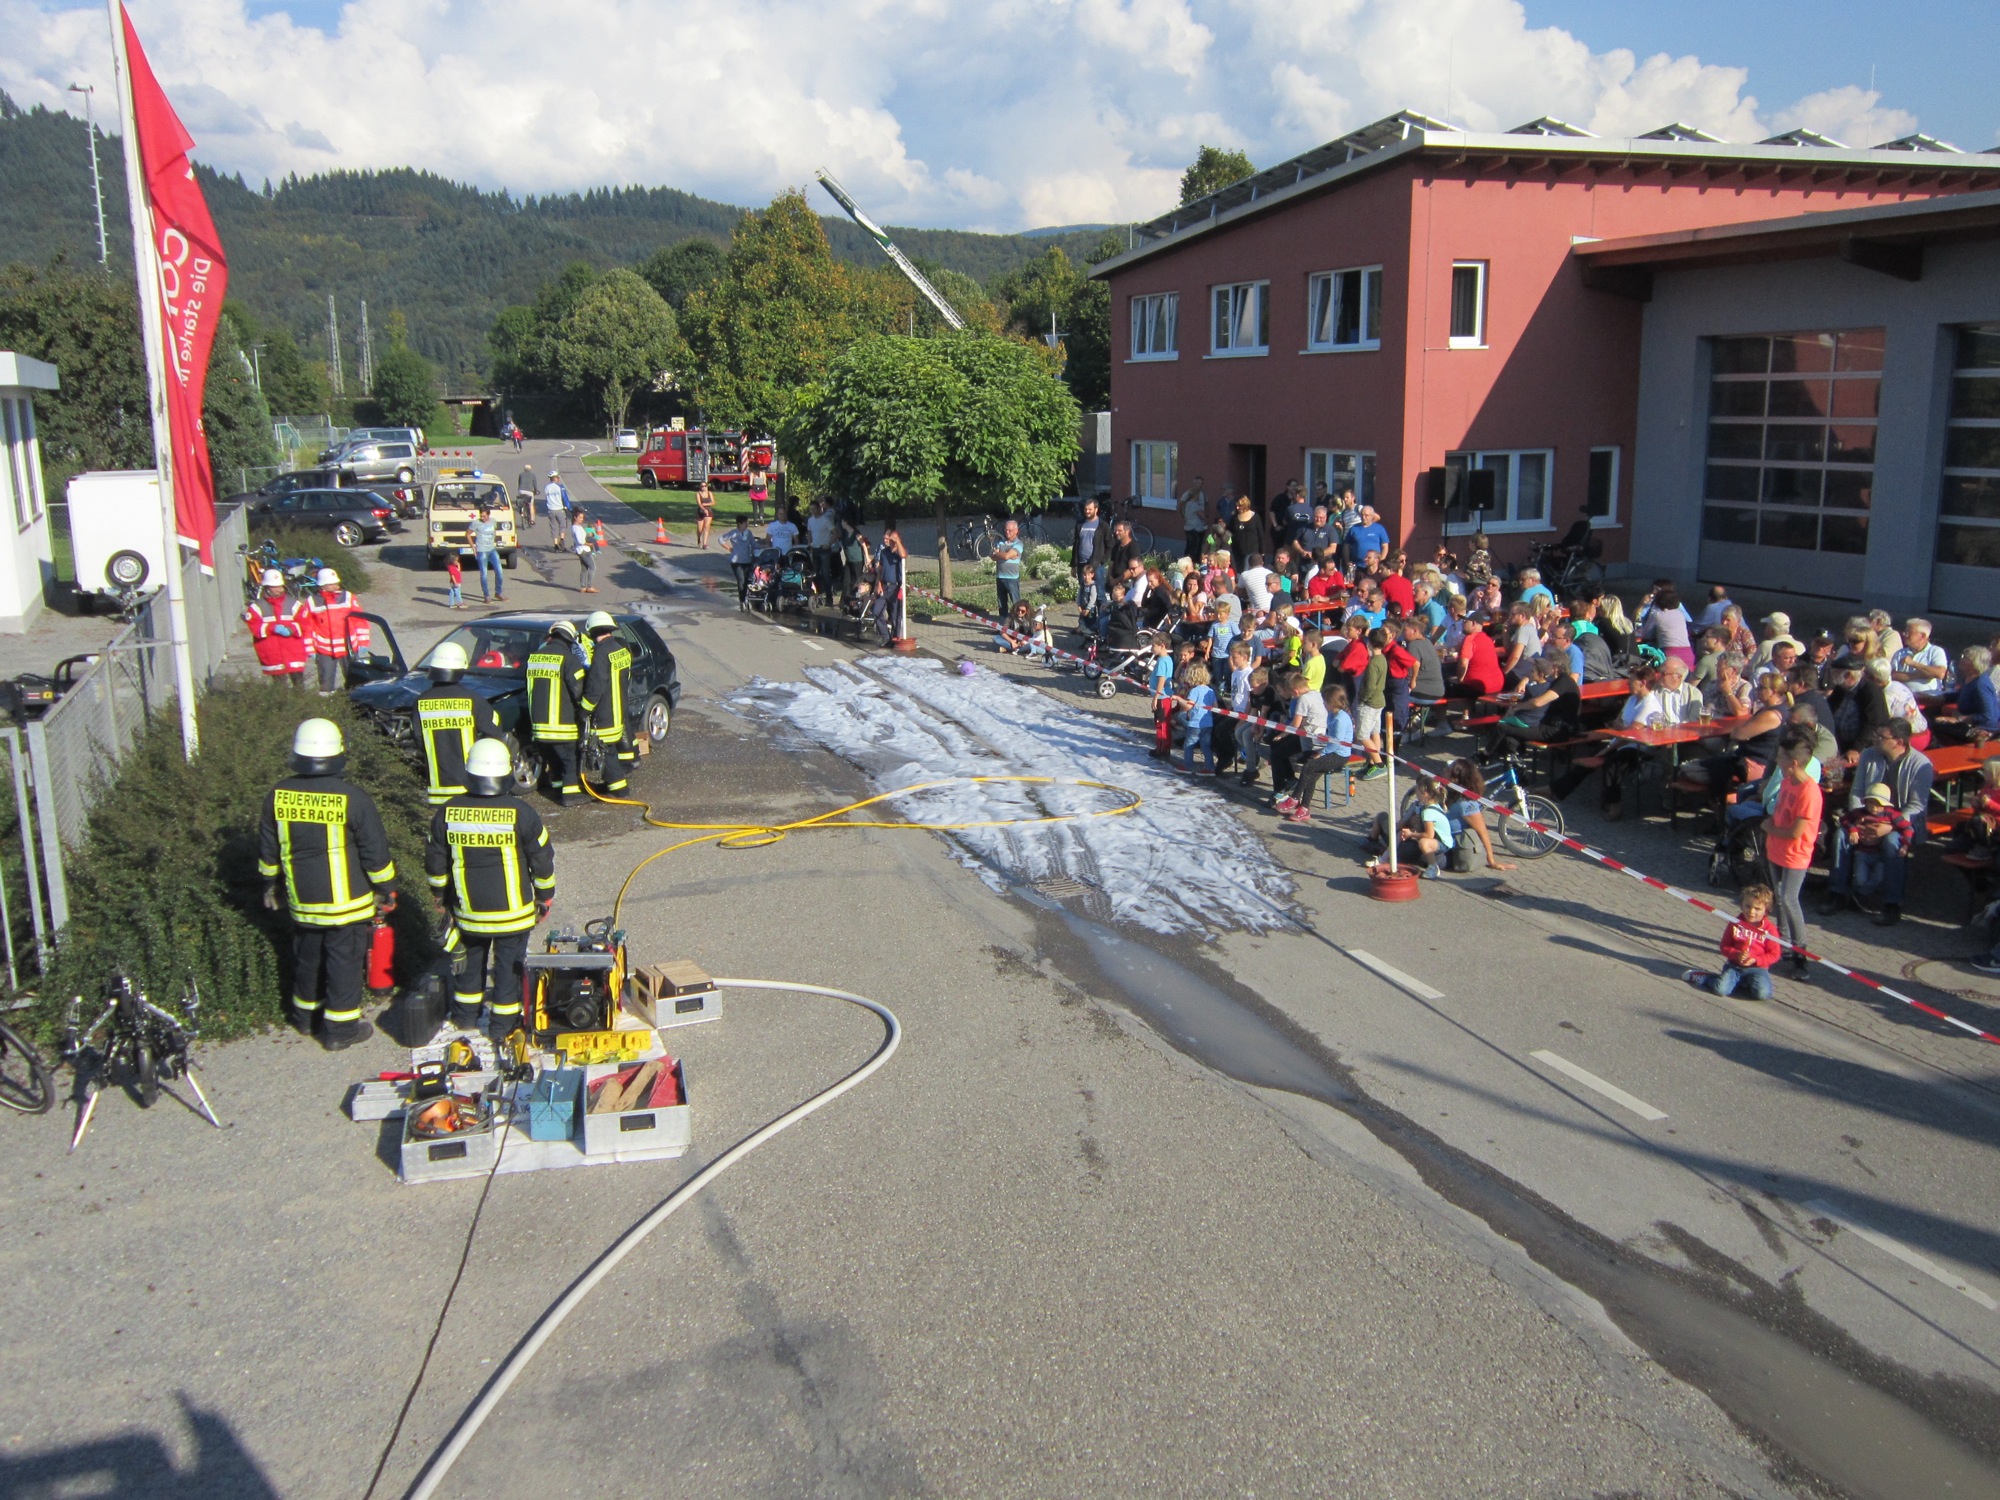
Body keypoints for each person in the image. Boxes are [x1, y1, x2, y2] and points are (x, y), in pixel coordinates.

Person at [256, 718, 396, 1050]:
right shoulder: (352, 797)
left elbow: (268, 850)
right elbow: (374, 852)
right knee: (343, 964)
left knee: (308, 960)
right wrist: (385, 888)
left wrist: (270, 884)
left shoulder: (277, 795)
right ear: (337, 754)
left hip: (302, 902)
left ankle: (305, 1019)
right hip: (347, 906)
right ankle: (341, 1031)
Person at [427, 737, 556, 1043]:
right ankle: (502, 1026)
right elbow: (541, 859)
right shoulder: (522, 812)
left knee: (470, 966)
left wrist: (439, 894)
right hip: (513, 916)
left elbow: (436, 861)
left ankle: (465, 1017)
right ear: (505, 773)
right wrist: (545, 897)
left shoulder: (448, 812)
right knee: (508, 970)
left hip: (469, 914)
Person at [1822, 718, 1935, 926]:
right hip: (1866, 815)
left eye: (1881, 737)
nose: (1875, 739)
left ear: (1898, 742)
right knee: (1841, 836)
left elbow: (1917, 806)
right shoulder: (1869, 755)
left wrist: (1890, 826)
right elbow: (1857, 791)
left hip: (1900, 823)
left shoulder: (1921, 764)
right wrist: (1859, 818)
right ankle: (1838, 892)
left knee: (1893, 843)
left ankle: (1892, 904)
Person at [1763, 741, 1823, 979]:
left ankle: (1800, 954)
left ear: (1794, 762)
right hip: (1775, 849)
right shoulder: (1787, 782)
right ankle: (1782, 943)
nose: (1777, 761)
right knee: (1779, 897)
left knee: (1789, 899)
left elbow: (1796, 832)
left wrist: (1769, 828)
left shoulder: (1809, 792)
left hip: (1795, 853)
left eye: (1781, 757)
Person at [415, 641, 501, 806]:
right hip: (469, 788)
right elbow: (494, 732)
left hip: (437, 791)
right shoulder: (472, 700)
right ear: (461, 669)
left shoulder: (420, 702)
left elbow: (418, 740)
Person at [525, 620, 590, 805]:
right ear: (569, 640)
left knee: (553, 759)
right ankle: (571, 795)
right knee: (569, 760)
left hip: (538, 726)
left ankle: (557, 788)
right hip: (562, 725)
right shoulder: (569, 659)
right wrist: (584, 710)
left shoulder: (534, 658)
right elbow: (577, 689)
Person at [1684, 884, 1784, 1000]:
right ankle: (1706, 978)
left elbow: (1775, 954)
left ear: (1766, 910)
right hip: (1734, 965)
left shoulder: (1769, 929)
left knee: (1763, 994)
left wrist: (1757, 960)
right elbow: (1724, 946)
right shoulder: (1735, 923)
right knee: (1720, 989)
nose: (1751, 911)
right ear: (1741, 905)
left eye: (1757, 909)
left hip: (1758, 968)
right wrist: (1737, 954)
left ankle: (1742, 983)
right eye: (1748, 906)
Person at [1278, 684, 1355, 822]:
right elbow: (1331, 736)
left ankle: (1294, 798)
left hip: (1339, 755)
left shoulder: (1340, 719)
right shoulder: (1332, 715)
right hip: (1330, 749)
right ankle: (1304, 808)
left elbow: (1336, 743)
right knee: (1309, 769)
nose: (1323, 704)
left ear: (1331, 702)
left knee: (1309, 766)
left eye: (1325, 701)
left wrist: (1322, 753)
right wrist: (1322, 740)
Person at [578, 611, 635, 796]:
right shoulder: (620, 649)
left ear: (592, 631)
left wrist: (584, 710)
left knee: (605, 750)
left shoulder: (601, 653)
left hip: (605, 713)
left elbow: (595, 687)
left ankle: (619, 790)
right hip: (619, 710)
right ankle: (616, 787)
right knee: (610, 749)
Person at [1366, 774, 1454, 878]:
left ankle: (1433, 867)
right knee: (1400, 834)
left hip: (1443, 843)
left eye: (1417, 791)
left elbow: (1429, 835)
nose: (1416, 793)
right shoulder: (1429, 806)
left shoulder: (1428, 812)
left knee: (1424, 843)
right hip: (1434, 839)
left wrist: (1411, 834)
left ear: (1425, 794)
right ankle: (1383, 859)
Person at [243, 568, 311, 685]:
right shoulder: (257, 607)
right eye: (274, 587)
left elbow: (304, 623)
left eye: (280, 586)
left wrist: (290, 629)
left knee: (299, 683)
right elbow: (255, 628)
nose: (278, 589)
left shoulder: (293, 604)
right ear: (266, 587)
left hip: (293, 650)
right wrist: (272, 628)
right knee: (280, 686)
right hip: (271, 652)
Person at [303, 567, 365, 696]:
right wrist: (310, 649)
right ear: (323, 585)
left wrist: (363, 642)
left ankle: (353, 701)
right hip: (325, 650)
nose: (336, 586)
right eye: (332, 584)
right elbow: (307, 627)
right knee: (326, 682)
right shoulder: (312, 601)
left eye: (336, 583)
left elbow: (360, 621)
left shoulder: (348, 597)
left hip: (348, 647)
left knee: (354, 679)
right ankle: (327, 703)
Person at [1176, 663, 1218, 774]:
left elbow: (1188, 706)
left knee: (1189, 744)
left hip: (1196, 723)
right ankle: (1210, 767)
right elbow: (1215, 706)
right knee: (1206, 746)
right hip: (1208, 723)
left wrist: (1179, 700)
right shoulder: (1210, 690)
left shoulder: (1194, 691)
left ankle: (1187, 765)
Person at [1892, 618, 1949, 687]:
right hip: (1903, 693)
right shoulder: (1900, 653)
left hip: (1929, 693)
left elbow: (1940, 673)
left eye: (1908, 632)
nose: (1904, 634)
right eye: (1905, 632)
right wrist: (1919, 675)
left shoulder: (1935, 651)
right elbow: (1892, 676)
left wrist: (1913, 663)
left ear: (1922, 636)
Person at [876, 520, 908, 640]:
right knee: (876, 611)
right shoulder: (884, 552)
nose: (889, 541)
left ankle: (895, 638)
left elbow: (903, 555)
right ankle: (886, 637)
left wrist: (897, 542)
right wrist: (878, 583)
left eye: (890, 539)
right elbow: (880, 569)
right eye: (888, 539)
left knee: (895, 616)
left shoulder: (899, 553)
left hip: (895, 587)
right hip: (885, 586)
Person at [470, 504, 505, 603]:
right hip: (482, 551)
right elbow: (467, 534)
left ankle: (498, 593)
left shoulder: (493, 521)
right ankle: (486, 596)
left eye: (484, 516)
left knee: (499, 571)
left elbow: (494, 532)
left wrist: (494, 541)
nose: (482, 518)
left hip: (492, 549)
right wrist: (473, 547)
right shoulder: (476, 523)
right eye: (481, 516)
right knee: (484, 574)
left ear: (489, 514)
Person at [992, 518, 1024, 617]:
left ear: (1016, 531)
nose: (1007, 532)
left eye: (1010, 530)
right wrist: (1005, 555)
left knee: (1016, 603)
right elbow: (992, 556)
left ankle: (1019, 623)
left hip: (1012, 578)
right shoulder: (1000, 542)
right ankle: (1003, 623)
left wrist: (999, 554)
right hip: (1000, 576)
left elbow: (1006, 556)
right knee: (1002, 604)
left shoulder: (1018, 544)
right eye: (1006, 530)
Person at [807, 499, 838, 599]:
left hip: (824, 549)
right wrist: (809, 543)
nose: (813, 511)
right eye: (811, 510)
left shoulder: (825, 520)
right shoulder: (810, 520)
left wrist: (829, 544)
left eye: (814, 509)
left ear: (819, 509)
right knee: (815, 573)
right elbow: (809, 532)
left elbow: (835, 533)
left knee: (825, 573)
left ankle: (829, 596)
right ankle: (818, 593)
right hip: (815, 548)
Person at [724, 515, 758, 607]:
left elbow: (754, 545)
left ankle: (746, 597)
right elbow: (721, 540)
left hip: (747, 560)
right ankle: (742, 600)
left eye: (747, 522)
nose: (747, 524)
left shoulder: (749, 533)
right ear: (739, 524)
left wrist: (763, 547)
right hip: (736, 561)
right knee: (741, 580)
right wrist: (729, 548)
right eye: (745, 522)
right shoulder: (734, 533)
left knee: (747, 580)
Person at [1180, 477, 1209, 561]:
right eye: (1197, 483)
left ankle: (1186, 561)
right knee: (1194, 547)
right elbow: (1181, 505)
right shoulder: (1191, 498)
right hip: (1195, 527)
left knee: (1192, 546)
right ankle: (1193, 562)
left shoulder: (1203, 493)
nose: (1199, 485)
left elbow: (1207, 504)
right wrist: (1184, 516)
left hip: (1196, 526)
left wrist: (1206, 514)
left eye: (1201, 483)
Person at [570, 510, 598, 593]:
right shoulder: (576, 528)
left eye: (582, 518)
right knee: (593, 567)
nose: (582, 519)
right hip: (584, 550)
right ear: (575, 517)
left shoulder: (575, 527)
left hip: (580, 550)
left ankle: (583, 587)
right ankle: (589, 586)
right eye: (580, 517)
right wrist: (589, 544)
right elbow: (580, 541)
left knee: (584, 568)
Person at [544, 472, 567, 545]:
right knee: (562, 525)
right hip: (559, 509)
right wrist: (568, 507)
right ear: (557, 478)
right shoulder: (560, 486)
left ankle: (556, 544)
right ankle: (562, 539)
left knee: (553, 527)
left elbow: (546, 498)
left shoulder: (547, 487)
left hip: (551, 509)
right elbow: (564, 498)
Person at [694, 479, 716, 550]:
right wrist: (704, 509)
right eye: (702, 486)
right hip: (701, 511)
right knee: (700, 529)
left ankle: (705, 544)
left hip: (708, 511)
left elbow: (713, 502)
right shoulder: (698, 494)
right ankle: (699, 539)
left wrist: (706, 504)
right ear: (700, 487)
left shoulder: (710, 493)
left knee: (706, 527)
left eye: (705, 486)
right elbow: (699, 504)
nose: (704, 487)